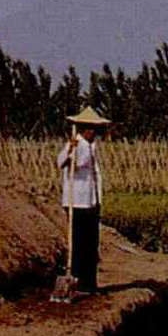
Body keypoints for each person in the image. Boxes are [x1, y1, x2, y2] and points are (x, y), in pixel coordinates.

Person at [55, 106, 111, 294]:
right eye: (90, 128)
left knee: (90, 243)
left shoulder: (90, 146)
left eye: (95, 128)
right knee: (79, 242)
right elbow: (63, 162)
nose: (93, 132)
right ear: (83, 129)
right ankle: (77, 279)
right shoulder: (76, 145)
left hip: (91, 200)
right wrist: (71, 150)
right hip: (77, 201)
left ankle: (89, 283)